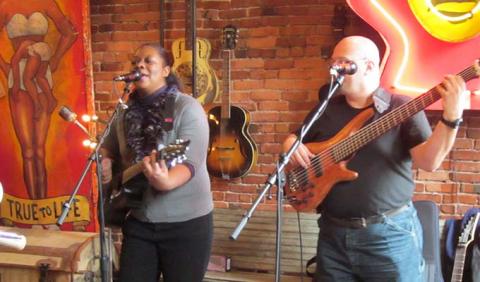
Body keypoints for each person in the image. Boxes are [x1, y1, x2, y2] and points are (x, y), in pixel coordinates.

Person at [282, 36, 467, 281]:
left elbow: (429, 162)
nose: (335, 69)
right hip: (332, 234)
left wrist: (451, 117)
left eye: (344, 63)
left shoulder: (401, 107)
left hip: (389, 236)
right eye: (333, 63)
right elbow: (295, 139)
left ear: (369, 66)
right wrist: (289, 144)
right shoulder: (326, 108)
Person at [100, 43, 213, 282]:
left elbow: (191, 161)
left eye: (148, 61)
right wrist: (106, 161)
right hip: (140, 220)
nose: (139, 65)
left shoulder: (187, 107)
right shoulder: (124, 111)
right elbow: (108, 146)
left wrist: (166, 181)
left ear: (166, 70)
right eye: (135, 61)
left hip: (186, 225)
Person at [0, 0, 77, 199]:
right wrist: (5, 66)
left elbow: (69, 33)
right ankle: (33, 207)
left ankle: (42, 208)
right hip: (17, 76)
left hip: (41, 73)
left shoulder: (46, 3)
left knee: (40, 151)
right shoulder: (5, 6)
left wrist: (55, 59)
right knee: (27, 151)